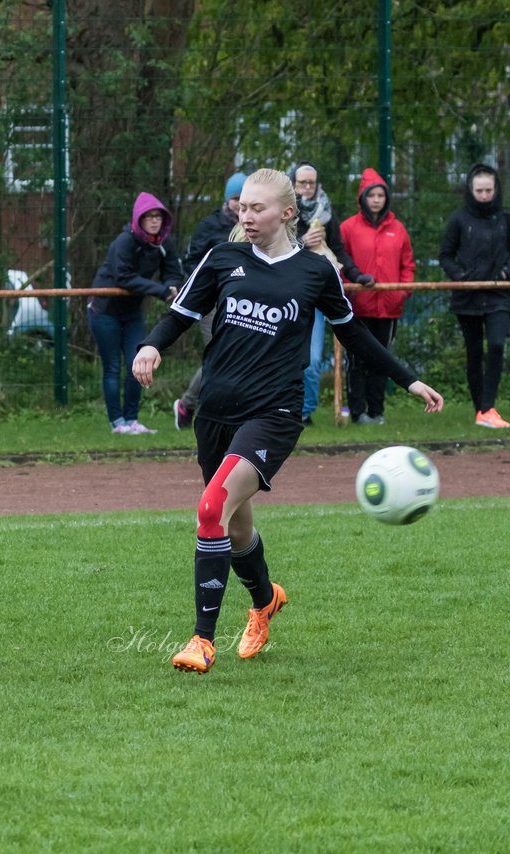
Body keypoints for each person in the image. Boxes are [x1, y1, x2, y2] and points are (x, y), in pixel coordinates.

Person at [131, 168, 443, 675]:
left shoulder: (316, 272)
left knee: (211, 507)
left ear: (287, 213)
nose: (245, 215)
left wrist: (407, 380)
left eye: (257, 208)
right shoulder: (223, 258)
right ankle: (264, 600)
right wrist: (150, 345)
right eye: (242, 207)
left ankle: (201, 641)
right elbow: (181, 314)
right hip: (215, 413)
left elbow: (356, 336)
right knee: (232, 527)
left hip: (273, 413)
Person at [89, 192, 183, 434]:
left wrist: (171, 286)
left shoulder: (163, 243)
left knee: (137, 363)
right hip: (104, 311)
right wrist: (162, 291)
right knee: (112, 367)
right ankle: (117, 423)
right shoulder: (124, 242)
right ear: (138, 219)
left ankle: (132, 420)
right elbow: (124, 277)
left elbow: (173, 271)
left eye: (158, 217)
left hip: (132, 313)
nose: (154, 221)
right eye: (149, 217)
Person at [290, 162, 373, 424]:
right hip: (287, 294)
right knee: (285, 357)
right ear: (293, 184)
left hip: (317, 296)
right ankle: (283, 409)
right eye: (301, 182)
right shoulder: (283, 212)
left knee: (313, 360)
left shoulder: (325, 212)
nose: (306, 187)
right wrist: (302, 244)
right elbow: (273, 250)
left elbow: (338, 251)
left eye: (310, 183)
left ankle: (305, 412)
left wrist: (357, 275)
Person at [340, 167, 416, 425]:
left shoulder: (399, 228)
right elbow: (341, 262)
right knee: (357, 361)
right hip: (358, 307)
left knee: (382, 361)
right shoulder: (348, 228)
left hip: (388, 308)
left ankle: (377, 412)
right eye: (371, 195)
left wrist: (403, 291)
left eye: (380, 196)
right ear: (362, 197)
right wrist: (346, 292)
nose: (376, 200)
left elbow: (408, 264)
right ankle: (357, 413)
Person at [174, 171, 247, 431]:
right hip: (213, 302)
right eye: (236, 198)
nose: (241, 204)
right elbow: (192, 262)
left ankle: (208, 406)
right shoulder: (210, 225)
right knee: (220, 354)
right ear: (228, 200)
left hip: (243, 303)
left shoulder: (256, 226)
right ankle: (190, 404)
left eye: (245, 198)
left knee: (240, 355)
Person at [439, 163, 510, 429]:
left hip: (498, 295)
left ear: (496, 189)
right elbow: (445, 255)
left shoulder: (505, 219)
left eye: (488, 190)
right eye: (479, 190)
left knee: (495, 345)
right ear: (471, 189)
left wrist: (506, 272)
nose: (483, 195)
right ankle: (481, 411)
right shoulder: (459, 219)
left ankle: (488, 407)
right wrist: (461, 276)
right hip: (466, 297)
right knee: (473, 353)